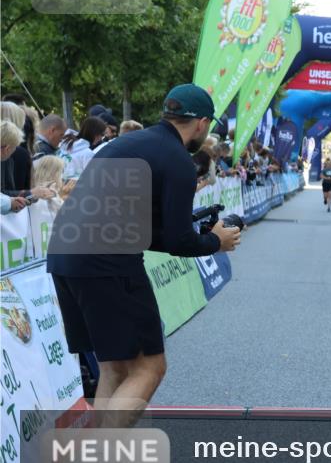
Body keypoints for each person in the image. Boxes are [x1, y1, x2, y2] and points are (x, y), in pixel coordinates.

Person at [46, 84, 241, 429]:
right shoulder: (179, 159)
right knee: (151, 366)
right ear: (202, 123)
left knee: (114, 366)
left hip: (64, 254)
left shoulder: (125, 143)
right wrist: (215, 241)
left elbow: (148, 233)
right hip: (106, 260)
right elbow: (180, 241)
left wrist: (201, 234)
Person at [1, 120, 54, 203]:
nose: (15, 151)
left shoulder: (5, 160)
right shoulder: (4, 159)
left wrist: (33, 194)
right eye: (15, 147)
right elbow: (3, 195)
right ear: (7, 149)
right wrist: (31, 193)